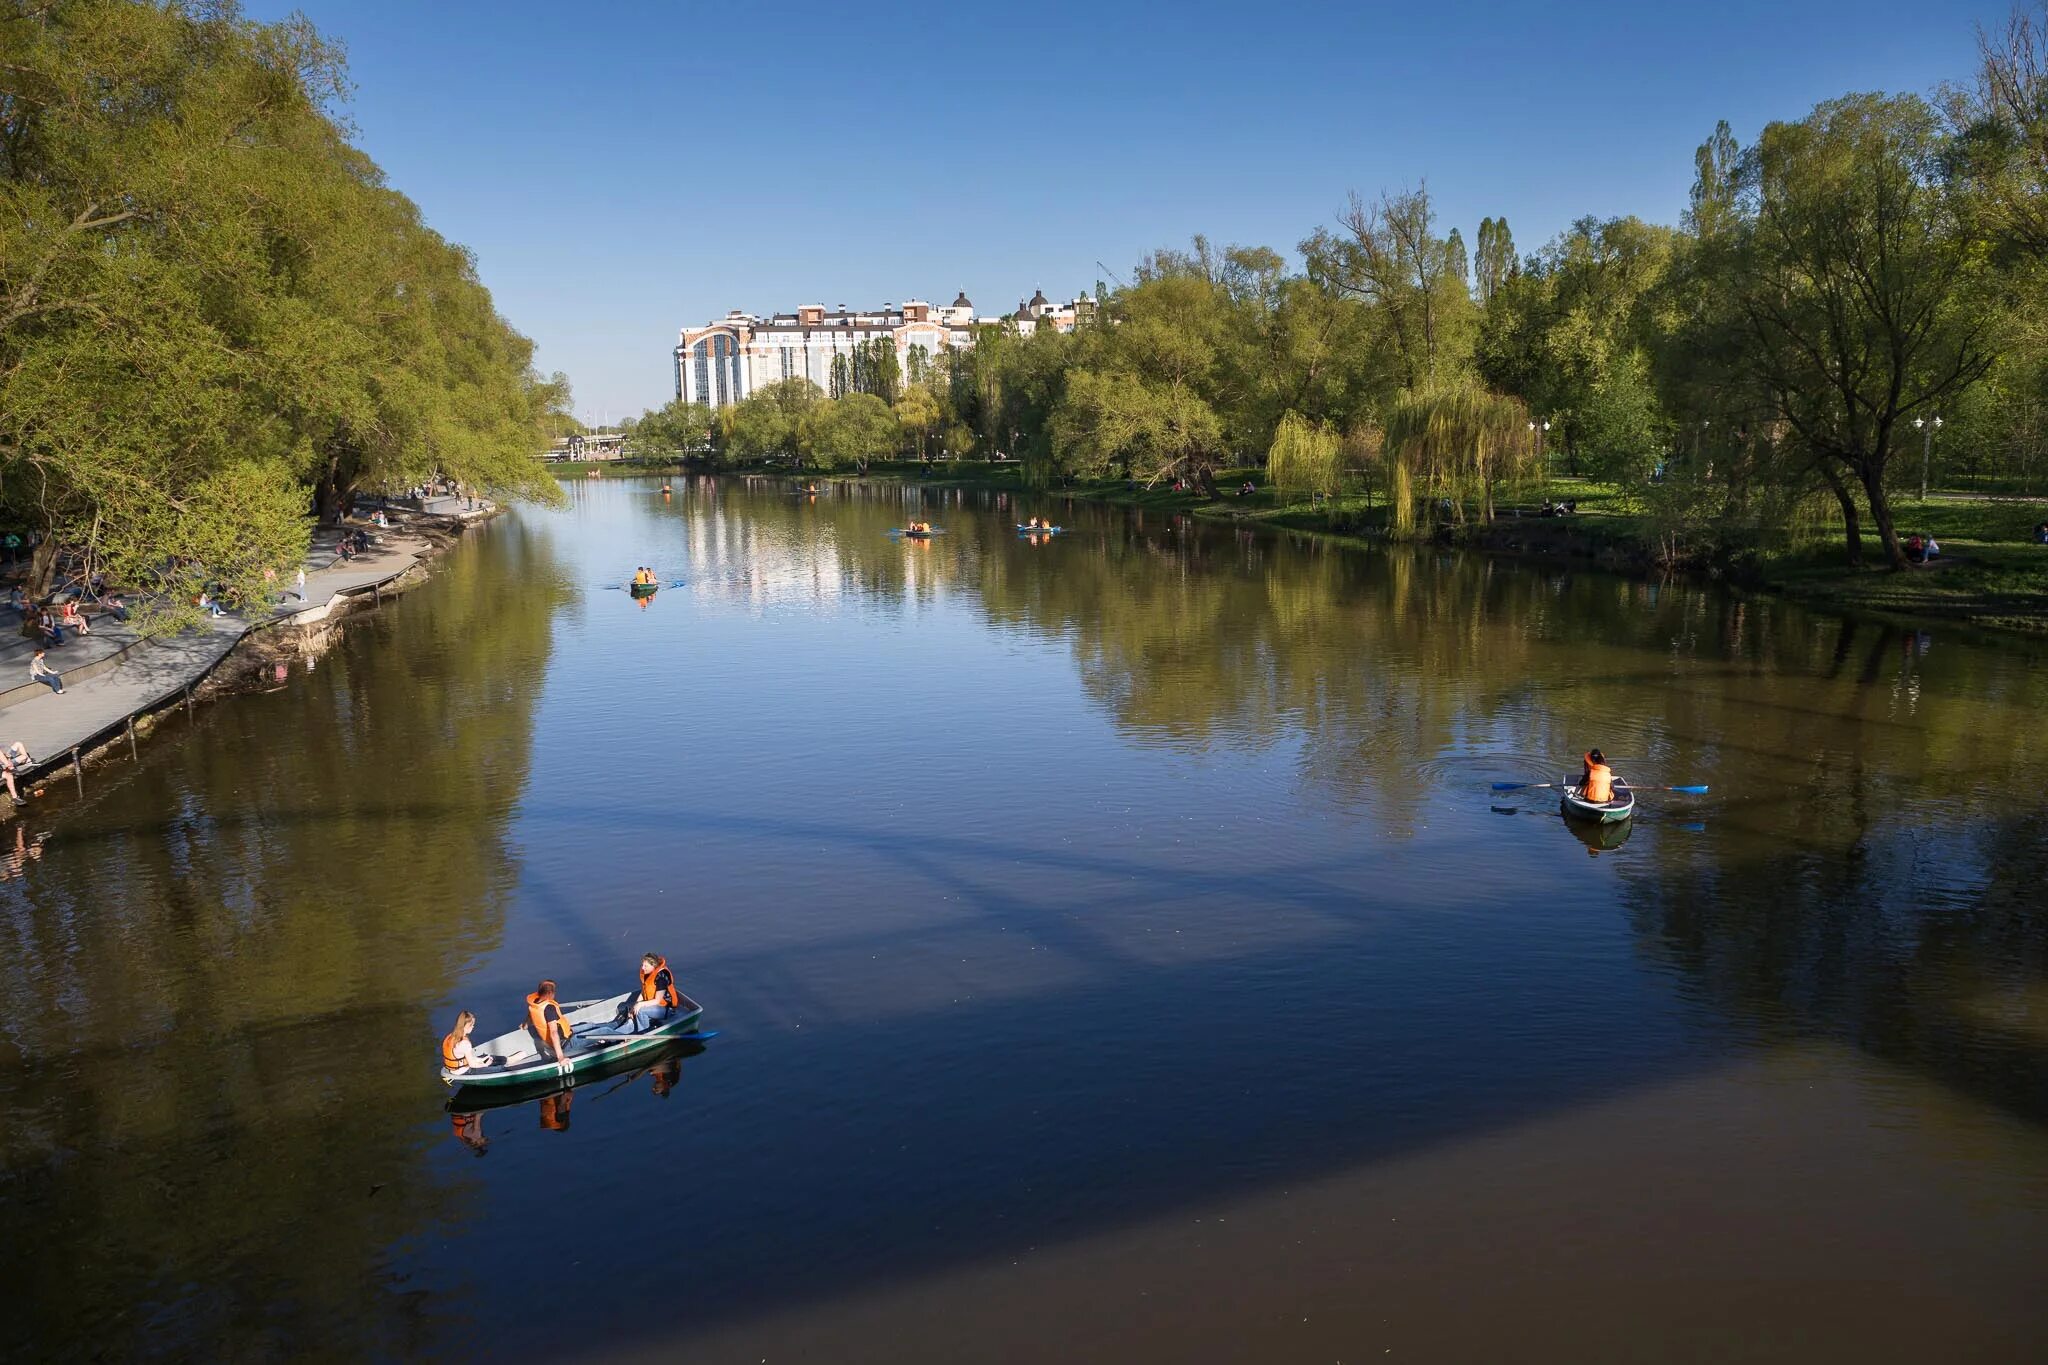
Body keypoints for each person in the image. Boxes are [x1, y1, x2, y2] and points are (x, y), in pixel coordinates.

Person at [621, 952, 680, 1033]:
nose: (642, 967)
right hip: (654, 1006)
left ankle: (643, 1033)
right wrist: (634, 1006)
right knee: (635, 1008)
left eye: (645, 966)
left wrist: (641, 1004)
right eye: (642, 965)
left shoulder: (661, 977)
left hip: (666, 1009)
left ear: (653, 966)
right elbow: (643, 992)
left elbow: (657, 1000)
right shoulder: (647, 973)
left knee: (641, 1010)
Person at [525, 979, 572, 1067]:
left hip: (552, 1039)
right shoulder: (549, 1008)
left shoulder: (535, 1003)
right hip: (564, 1042)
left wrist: (525, 1025)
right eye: (554, 992)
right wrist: (561, 1057)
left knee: (589, 1025)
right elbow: (554, 1033)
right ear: (550, 993)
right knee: (604, 1029)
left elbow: (529, 1016)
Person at [441, 1010, 484, 1075]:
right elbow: (472, 1065)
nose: (473, 1027)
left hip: (454, 1070)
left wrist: (481, 1060)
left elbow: (464, 1058)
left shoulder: (451, 1036)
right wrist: (485, 1064)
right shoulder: (465, 1043)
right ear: (466, 1026)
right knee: (500, 1068)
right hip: (465, 1072)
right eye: (472, 1025)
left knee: (495, 1059)